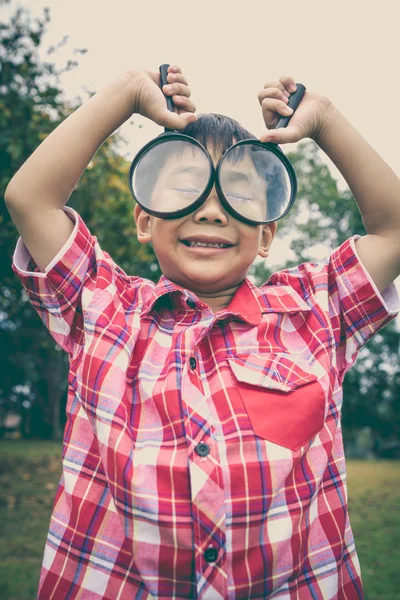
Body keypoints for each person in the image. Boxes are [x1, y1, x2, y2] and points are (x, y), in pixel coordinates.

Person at [4, 64, 400, 599]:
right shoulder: (103, 308)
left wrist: (325, 119)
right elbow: (30, 199)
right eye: (185, 187)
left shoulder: (314, 313)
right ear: (145, 221)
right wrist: (126, 94)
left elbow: (394, 228)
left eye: (239, 192)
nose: (211, 209)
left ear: (266, 233)